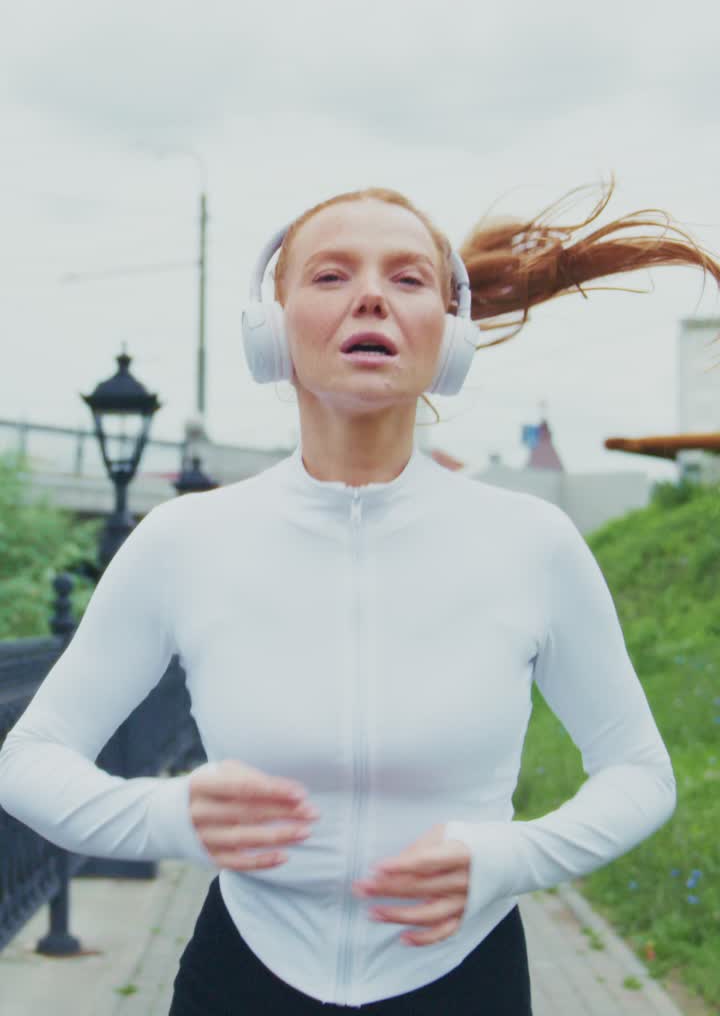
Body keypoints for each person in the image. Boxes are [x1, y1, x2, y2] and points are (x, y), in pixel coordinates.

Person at [0, 177, 718, 1015]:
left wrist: (511, 858)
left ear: (448, 337)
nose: (371, 295)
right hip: (243, 978)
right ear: (272, 331)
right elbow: (30, 762)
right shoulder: (182, 541)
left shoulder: (533, 544)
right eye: (332, 275)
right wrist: (166, 817)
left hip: (466, 981)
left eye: (407, 279)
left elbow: (639, 773)